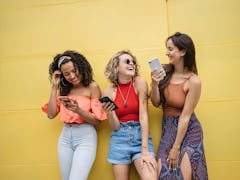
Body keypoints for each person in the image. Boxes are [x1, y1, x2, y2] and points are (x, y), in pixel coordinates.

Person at [150, 32, 208, 180]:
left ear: (182, 51)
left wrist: (176, 148)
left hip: (189, 130)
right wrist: (155, 84)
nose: (166, 52)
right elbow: (156, 102)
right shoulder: (164, 71)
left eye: (170, 49)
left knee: (184, 174)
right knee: (163, 173)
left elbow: (186, 116)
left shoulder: (193, 81)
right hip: (168, 129)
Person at [41, 50, 106, 180]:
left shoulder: (92, 87)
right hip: (65, 138)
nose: (72, 76)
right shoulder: (64, 89)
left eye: (74, 70)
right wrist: (54, 87)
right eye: (66, 74)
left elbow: (98, 120)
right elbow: (51, 114)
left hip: (85, 137)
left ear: (81, 67)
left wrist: (78, 110)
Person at [101, 50, 157, 180]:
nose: (131, 64)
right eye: (127, 61)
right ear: (116, 67)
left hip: (140, 137)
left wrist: (145, 150)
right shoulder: (108, 92)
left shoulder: (139, 83)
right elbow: (115, 126)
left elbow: (143, 116)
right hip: (119, 138)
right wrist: (109, 112)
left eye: (133, 62)